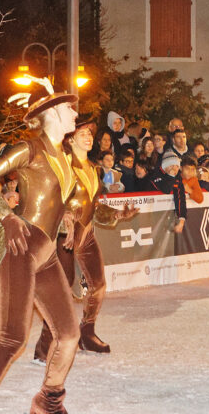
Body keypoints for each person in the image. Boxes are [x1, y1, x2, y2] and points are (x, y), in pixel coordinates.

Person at [0, 88, 81, 414]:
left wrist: (67, 216)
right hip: (21, 247)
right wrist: (5, 216)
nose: (75, 114)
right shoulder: (31, 148)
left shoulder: (64, 157)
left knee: (69, 334)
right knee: (12, 338)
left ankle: (48, 403)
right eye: (70, 109)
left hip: (47, 251)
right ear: (52, 112)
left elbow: (57, 201)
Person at [33, 119, 138, 363]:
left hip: (86, 234)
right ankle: (43, 347)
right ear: (70, 139)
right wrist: (63, 218)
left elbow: (94, 205)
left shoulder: (93, 168)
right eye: (82, 133)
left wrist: (118, 214)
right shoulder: (63, 166)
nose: (89, 137)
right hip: (64, 234)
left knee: (98, 284)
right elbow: (50, 199)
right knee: (61, 290)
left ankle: (87, 333)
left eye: (90, 133)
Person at [151, 152, 186, 233]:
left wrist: (181, 220)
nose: (174, 169)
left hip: (165, 215)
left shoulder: (177, 177)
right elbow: (166, 189)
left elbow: (181, 198)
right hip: (150, 213)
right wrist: (170, 177)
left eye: (177, 166)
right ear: (165, 166)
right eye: (172, 165)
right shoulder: (155, 174)